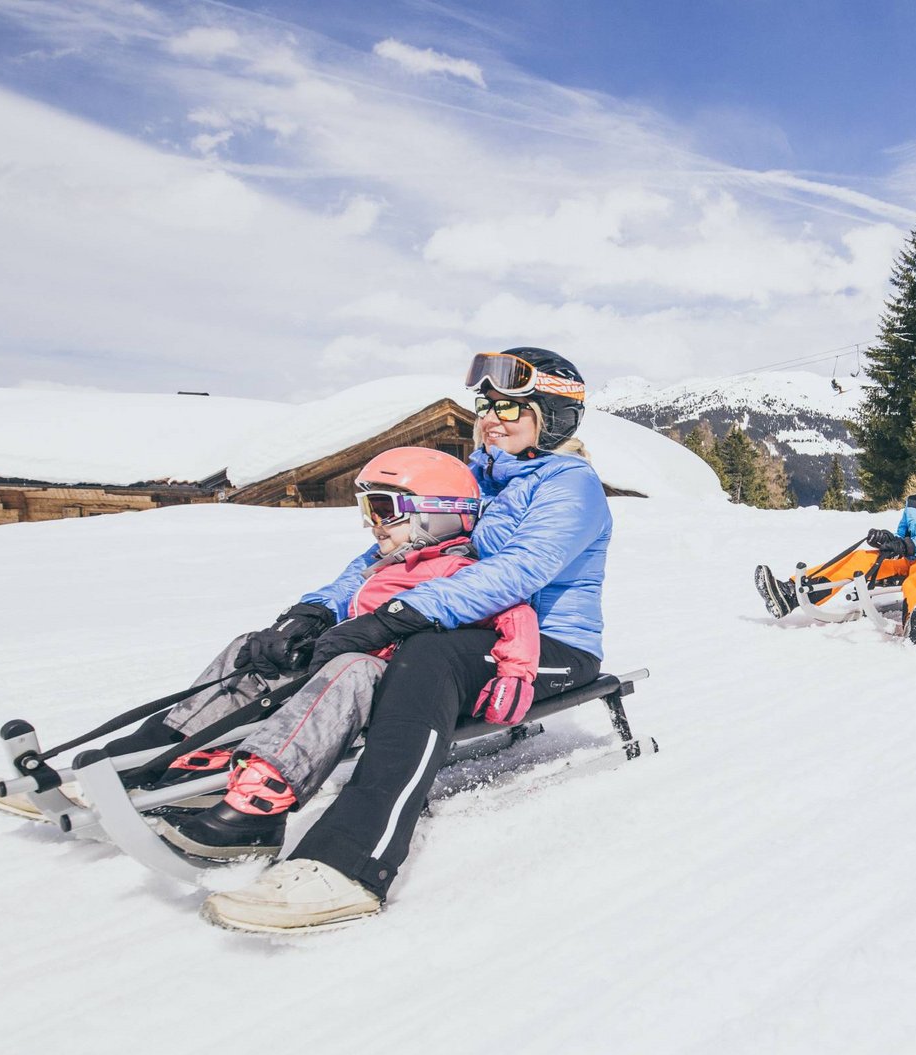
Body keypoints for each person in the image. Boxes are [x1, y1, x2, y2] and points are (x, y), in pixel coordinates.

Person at [198, 347, 611, 934]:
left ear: (551, 416)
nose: (491, 418)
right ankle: (175, 771)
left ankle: (349, 863)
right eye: (485, 405)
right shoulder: (475, 478)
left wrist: (397, 617)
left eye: (512, 408)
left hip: (545, 648)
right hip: (462, 631)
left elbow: (520, 570)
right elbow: (388, 555)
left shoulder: (571, 487)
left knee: (427, 657)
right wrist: (316, 612)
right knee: (291, 649)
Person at [142, 448, 544, 862]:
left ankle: (262, 805)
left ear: (437, 513)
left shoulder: (458, 570)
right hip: (339, 667)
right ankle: (191, 754)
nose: (373, 524)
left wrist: (515, 677)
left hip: (391, 682)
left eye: (384, 509)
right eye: (368, 510)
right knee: (253, 648)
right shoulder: (382, 566)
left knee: (351, 668)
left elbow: (516, 617)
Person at [754, 433, 916, 646]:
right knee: (859, 559)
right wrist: (889, 540)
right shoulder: (915, 502)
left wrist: (908, 545)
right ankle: (791, 593)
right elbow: (903, 536)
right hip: (909, 556)